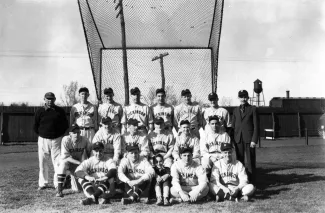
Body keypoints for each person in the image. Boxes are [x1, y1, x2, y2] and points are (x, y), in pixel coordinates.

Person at [33, 92, 69, 190]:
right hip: (43, 139)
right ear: (44, 99)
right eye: (48, 99)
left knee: (57, 162)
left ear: (55, 99)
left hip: (57, 140)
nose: (50, 101)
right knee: (43, 162)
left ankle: (58, 184)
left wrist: (58, 135)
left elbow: (65, 125)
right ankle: (43, 183)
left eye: (52, 99)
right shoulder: (40, 111)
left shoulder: (60, 111)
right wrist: (43, 134)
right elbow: (35, 126)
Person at [232, 90, 259, 184]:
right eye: (241, 97)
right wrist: (232, 140)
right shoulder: (235, 110)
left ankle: (252, 182)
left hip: (249, 139)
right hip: (238, 139)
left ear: (247, 98)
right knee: (239, 162)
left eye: (245, 97)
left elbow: (256, 126)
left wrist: (254, 140)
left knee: (250, 162)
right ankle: (241, 182)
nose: (243, 99)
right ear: (238, 98)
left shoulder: (253, 109)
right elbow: (233, 126)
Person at [55, 124, 89, 197]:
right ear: (70, 134)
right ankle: (59, 189)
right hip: (65, 162)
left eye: (78, 132)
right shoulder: (65, 139)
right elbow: (66, 157)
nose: (76, 134)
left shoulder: (84, 140)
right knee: (63, 164)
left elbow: (90, 153)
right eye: (74, 133)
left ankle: (68, 180)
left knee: (78, 189)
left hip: (76, 164)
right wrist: (80, 163)